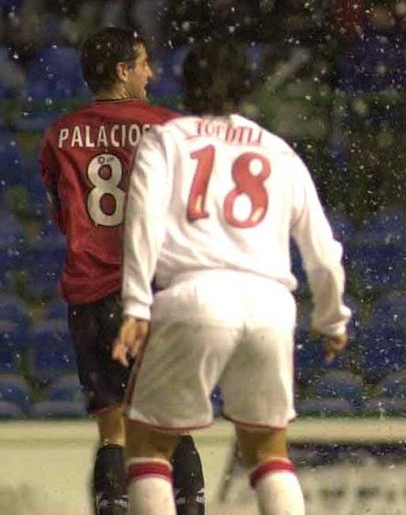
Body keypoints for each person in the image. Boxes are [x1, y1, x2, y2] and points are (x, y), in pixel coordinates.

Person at [111, 44, 350, 515]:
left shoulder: (167, 139)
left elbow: (142, 220)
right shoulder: (278, 150)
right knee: (268, 449)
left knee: (148, 446)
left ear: (185, 85)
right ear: (246, 89)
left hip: (195, 293)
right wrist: (332, 316)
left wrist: (136, 304)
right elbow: (323, 249)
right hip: (270, 304)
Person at [39, 27, 206, 515]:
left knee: (113, 429)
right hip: (154, 292)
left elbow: (62, 212)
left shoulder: (59, 134)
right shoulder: (170, 128)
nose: (150, 72)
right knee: (172, 425)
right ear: (122, 70)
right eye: (143, 63)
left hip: (91, 293)